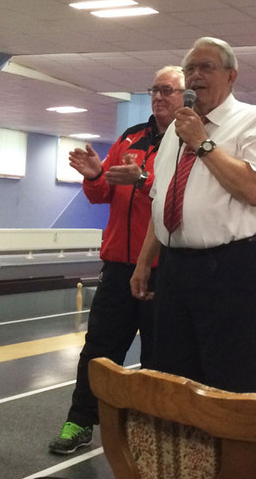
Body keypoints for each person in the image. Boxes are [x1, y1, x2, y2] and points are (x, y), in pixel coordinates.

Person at [131, 37, 256, 393]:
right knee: (173, 372)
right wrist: (144, 262)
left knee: (226, 374)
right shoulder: (176, 131)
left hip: (228, 266)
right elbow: (162, 201)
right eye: (190, 69)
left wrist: (203, 143)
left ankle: (227, 432)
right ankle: (180, 432)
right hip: (174, 266)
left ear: (231, 76)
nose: (196, 75)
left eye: (206, 67)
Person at [48, 66, 184, 455]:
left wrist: (141, 180)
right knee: (98, 351)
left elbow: (177, 198)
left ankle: (154, 431)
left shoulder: (185, 143)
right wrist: (95, 176)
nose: (159, 96)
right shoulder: (130, 137)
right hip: (117, 267)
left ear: (185, 97)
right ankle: (80, 421)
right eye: (155, 89)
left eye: (168, 90)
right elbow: (102, 194)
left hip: (160, 270)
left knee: (159, 357)